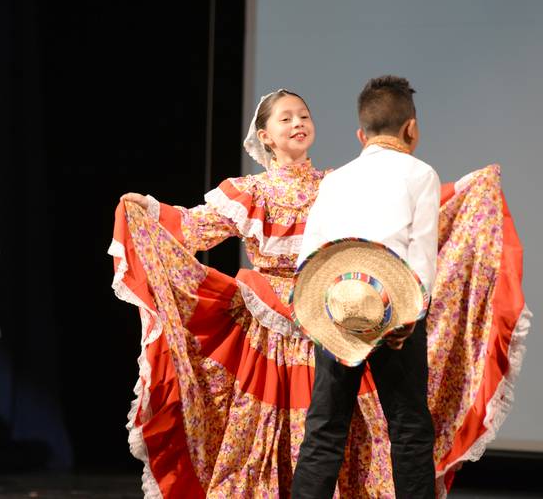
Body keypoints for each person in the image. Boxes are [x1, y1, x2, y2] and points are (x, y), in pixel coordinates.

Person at [110, 87, 529, 498]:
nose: (298, 123)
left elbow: (394, 213)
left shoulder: (337, 180)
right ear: (265, 136)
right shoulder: (250, 191)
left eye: (304, 116)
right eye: (286, 118)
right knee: (294, 426)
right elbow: (196, 227)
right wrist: (150, 211)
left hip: (340, 308)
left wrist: (465, 191)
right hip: (275, 323)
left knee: (338, 428)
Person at [290, 72, 439, 499]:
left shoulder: (336, 179)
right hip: (395, 316)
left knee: (324, 430)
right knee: (409, 428)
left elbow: (311, 253)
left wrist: (323, 314)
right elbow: (422, 256)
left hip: (338, 314)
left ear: (361, 134)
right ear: (411, 129)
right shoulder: (420, 173)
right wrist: (411, 316)